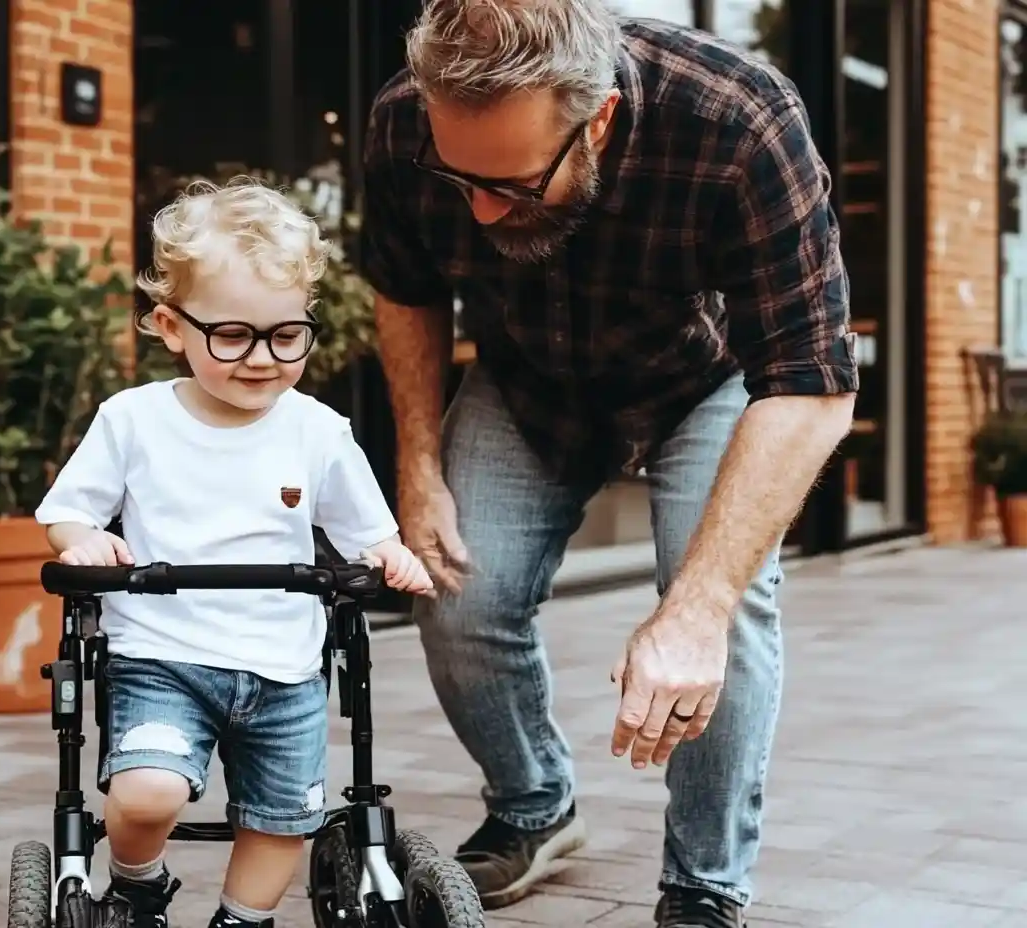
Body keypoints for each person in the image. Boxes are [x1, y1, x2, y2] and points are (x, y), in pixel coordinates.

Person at [360, 2, 858, 926]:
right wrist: (418, 466)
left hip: (701, 386)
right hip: (528, 383)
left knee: (723, 606)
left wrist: (696, 606)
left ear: (598, 121)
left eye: (509, 184)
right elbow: (405, 288)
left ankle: (705, 884)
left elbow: (811, 380)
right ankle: (533, 805)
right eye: (456, 177)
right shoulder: (405, 119)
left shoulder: (739, 119)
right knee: (457, 591)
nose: (478, 209)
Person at [34, 179, 433, 928]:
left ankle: (239, 921)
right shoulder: (134, 420)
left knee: (283, 819)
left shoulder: (317, 431)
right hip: (162, 657)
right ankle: (137, 882)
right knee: (144, 793)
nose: (261, 359)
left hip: (284, 669)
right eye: (232, 336)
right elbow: (65, 511)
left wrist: (390, 556)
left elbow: (366, 531)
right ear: (169, 325)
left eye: (285, 336)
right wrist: (83, 541)